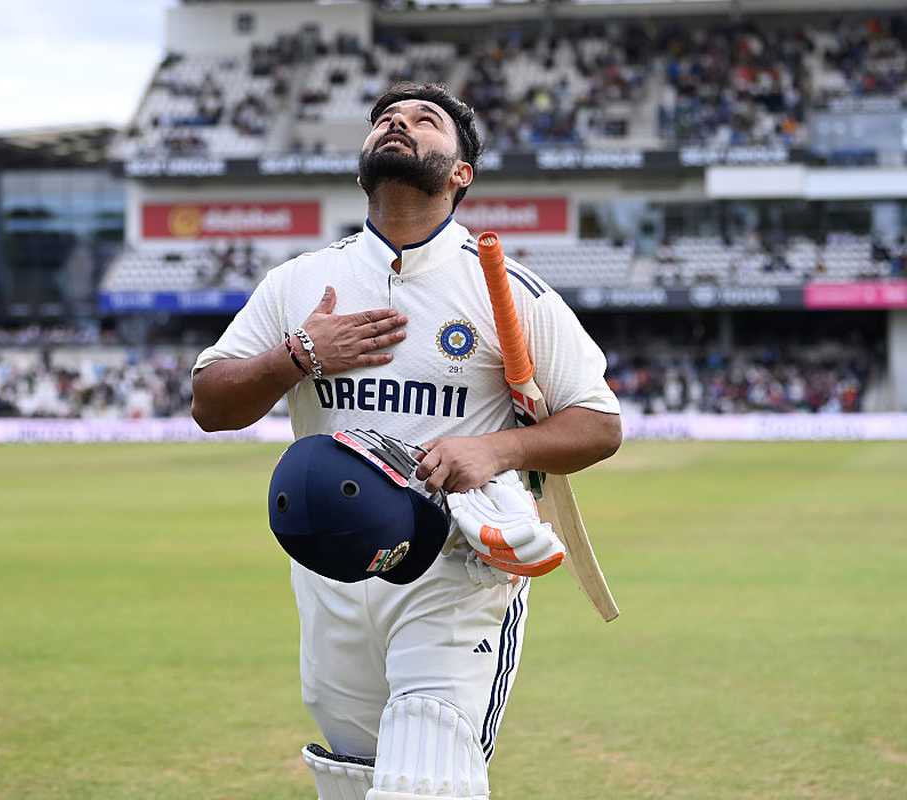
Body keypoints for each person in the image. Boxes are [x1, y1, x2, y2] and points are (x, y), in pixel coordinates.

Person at [190, 82, 622, 800]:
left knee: (426, 778)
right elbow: (210, 404)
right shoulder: (301, 282)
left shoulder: (509, 290)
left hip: (458, 567)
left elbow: (599, 423)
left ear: (461, 173)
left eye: (425, 122)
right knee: (352, 780)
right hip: (331, 565)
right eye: (386, 119)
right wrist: (301, 353)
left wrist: (495, 451)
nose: (399, 125)